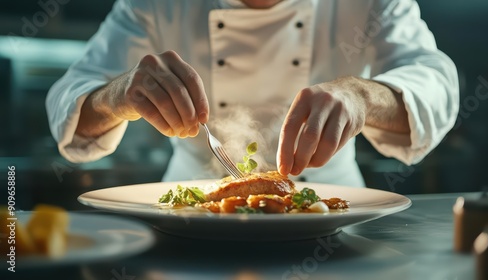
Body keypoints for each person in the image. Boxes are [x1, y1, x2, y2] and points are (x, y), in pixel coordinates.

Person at [46, 0, 459, 187]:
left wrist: (363, 96)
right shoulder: (153, 4)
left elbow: (436, 82)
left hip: (334, 216)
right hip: (187, 217)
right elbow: (70, 104)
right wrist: (116, 94)